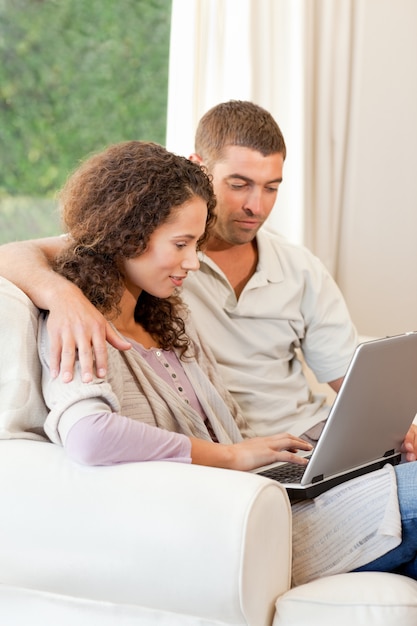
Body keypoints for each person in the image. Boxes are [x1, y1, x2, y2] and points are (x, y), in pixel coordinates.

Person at [10, 138, 417, 585]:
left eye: (196, 244)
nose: (193, 262)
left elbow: (228, 438)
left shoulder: (165, 320)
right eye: (181, 244)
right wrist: (228, 457)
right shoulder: (79, 327)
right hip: (221, 528)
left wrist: (323, 444)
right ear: (125, 234)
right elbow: (89, 436)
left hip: (253, 499)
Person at [0, 101, 416, 457]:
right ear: (201, 169)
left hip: (297, 443)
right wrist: (63, 296)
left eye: (271, 188)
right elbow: (22, 255)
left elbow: (352, 382)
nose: (256, 205)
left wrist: (390, 429)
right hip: (244, 459)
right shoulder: (148, 256)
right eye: (239, 185)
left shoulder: (294, 269)